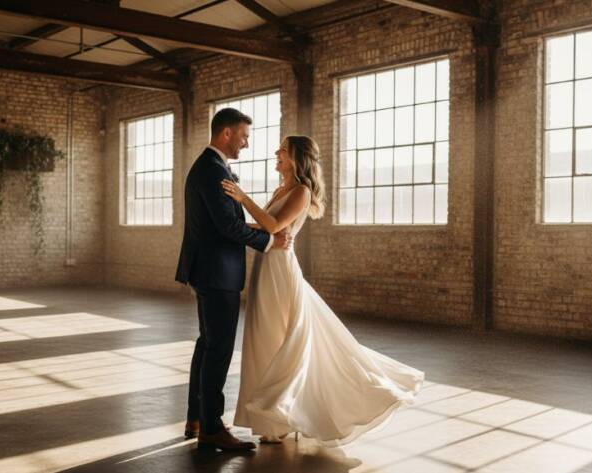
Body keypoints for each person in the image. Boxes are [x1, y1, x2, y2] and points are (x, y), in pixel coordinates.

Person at [222, 135, 424, 446]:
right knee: (262, 339)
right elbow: (261, 227)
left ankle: (282, 416)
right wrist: (230, 227)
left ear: (296, 159)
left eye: (283, 150)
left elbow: (274, 226)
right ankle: (272, 421)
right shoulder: (280, 189)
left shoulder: (301, 192)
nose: (276, 153)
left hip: (279, 270)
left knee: (278, 339)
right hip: (264, 266)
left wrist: (243, 198)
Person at [175, 108, 293, 451]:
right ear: (226, 134)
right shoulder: (212, 171)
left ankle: (196, 417)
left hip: (207, 269)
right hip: (216, 272)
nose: (246, 143)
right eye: (243, 136)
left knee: (206, 344)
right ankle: (212, 428)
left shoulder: (210, 167)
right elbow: (228, 226)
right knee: (219, 348)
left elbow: (224, 223)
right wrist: (270, 242)